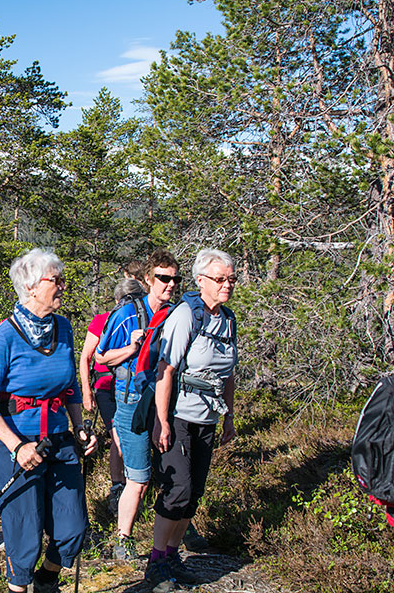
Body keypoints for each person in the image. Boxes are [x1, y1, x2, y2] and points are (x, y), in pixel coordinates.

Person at [0, 248, 98, 593]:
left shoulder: (63, 327)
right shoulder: (6, 336)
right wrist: (17, 447)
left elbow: (70, 385)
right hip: (15, 443)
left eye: (62, 279)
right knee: (24, 532)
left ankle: (46, 579)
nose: (62, 286)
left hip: (58, 439)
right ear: (30, 287)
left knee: (73, 527)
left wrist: (80, 428)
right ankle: (19, 585)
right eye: (55, 280)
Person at [144, 249, 238, 593]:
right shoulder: (186, 315)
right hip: (179, 416)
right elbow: (165, 370)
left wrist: (228, 417)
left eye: (230, 279)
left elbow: (228, 376)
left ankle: (171, 557)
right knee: (177, 489)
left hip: (208, 418)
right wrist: (163, 422)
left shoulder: (227, 320)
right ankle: (155, 564)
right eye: (220, 279)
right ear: (201, 281)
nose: (227, 285)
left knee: (194, 492)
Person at [94, 249, 181, 560]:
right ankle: (123, 539)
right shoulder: (126, 314)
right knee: (139, 479)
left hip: (165, 401)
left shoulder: (176, 314)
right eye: (163, 278)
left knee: (174, 476)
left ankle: (174, 536)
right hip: (131, 400)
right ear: (148, 279)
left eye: (174, 279)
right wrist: (131, 348)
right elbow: (100, 357)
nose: (169, 285)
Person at [79, 278, 144, 515]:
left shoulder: (146, 320)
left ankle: (134, 486)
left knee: (132, 436)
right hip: (107, 387)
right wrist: (87, 391)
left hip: (136, 387)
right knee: (117, 438)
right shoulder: (103, 321)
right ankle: (118, 488)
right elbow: (87, 357)